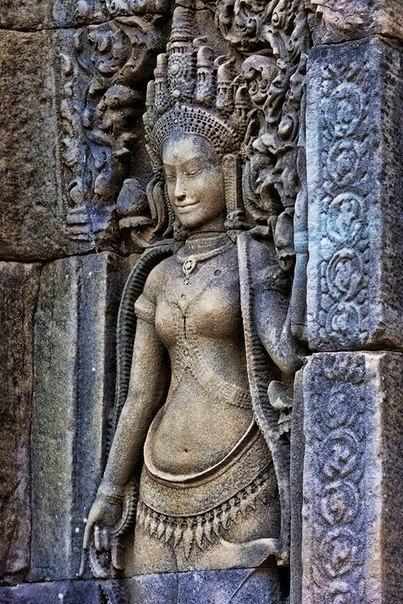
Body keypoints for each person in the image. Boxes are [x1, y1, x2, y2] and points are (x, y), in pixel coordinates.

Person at [83, 13, 303, 602]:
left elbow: (287, 358)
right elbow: (140, 394)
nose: (179, 190)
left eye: (193, 172)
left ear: (228, 171)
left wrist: (303, 253)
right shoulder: (155, 274)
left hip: (241, 475)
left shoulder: (251, 261)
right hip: (157, 490)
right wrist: (110, 490)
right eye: (169, 175)